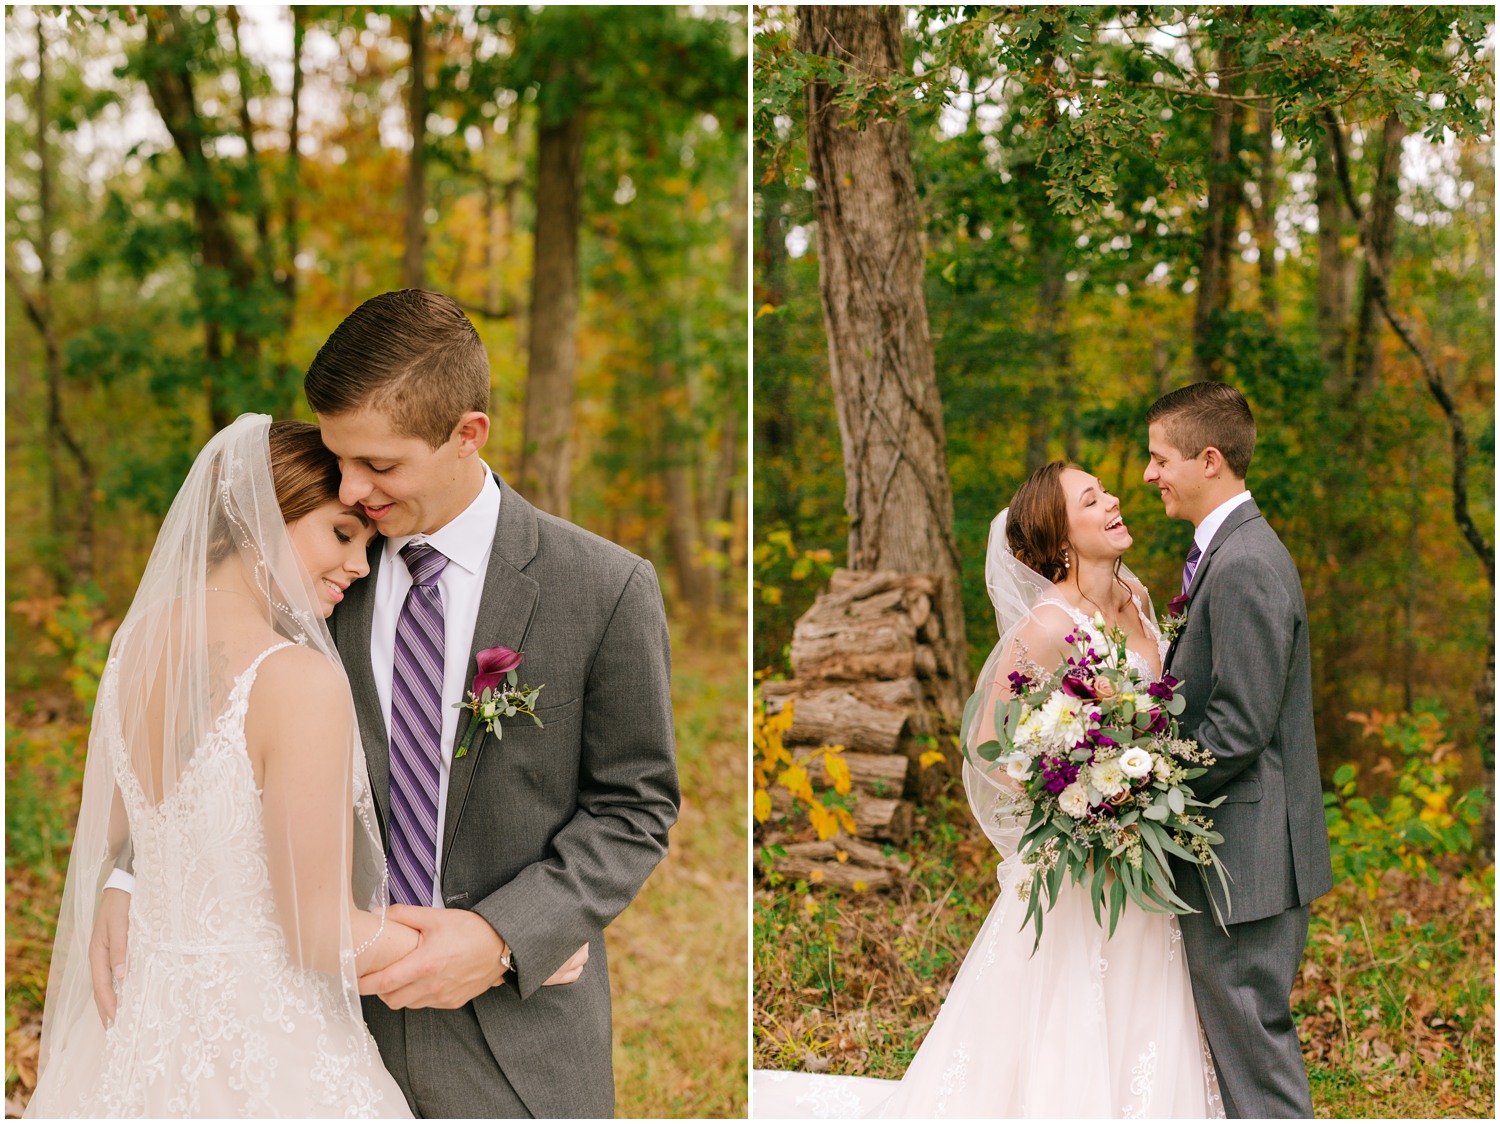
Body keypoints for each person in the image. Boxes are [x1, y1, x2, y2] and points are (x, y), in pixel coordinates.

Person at [753, 460, 1222, 1119]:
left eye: (1104, 492)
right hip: (1084, 858)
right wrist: (1074, 798)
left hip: (1144, 845)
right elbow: (985, 744)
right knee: (1071, 1005)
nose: (1115, 500)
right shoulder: (1050, 625)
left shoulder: (1136, 596)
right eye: (1093, 499)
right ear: (1061, 540)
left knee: (1146, 993)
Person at [27, 415, 417, 1117]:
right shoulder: (297, 679)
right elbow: (319, 933)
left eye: (367, 544)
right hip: (263, 1055)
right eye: (341, 533)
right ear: (264, 518)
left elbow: (135, 831)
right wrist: (480, 942)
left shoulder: (137, 644)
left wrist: (121, 880)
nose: (360, 567)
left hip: (135, 1033)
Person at [1145, 381, 1333, 1119]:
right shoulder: (1228, 551)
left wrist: (1143, 790)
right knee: (1244, 1048)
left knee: (1257, 1059)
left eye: (1161, 458)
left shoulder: (1246, 561)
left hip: (1246, 854)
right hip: (1238, 851)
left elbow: (1239, 725)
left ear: (1210, 460)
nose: (1151, 474)